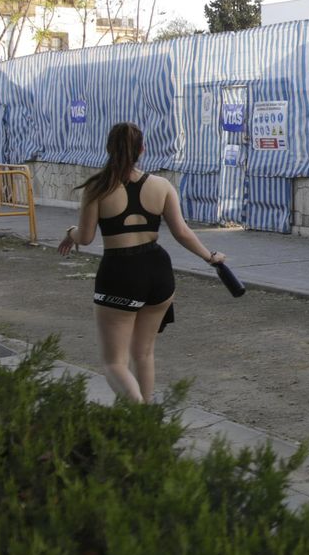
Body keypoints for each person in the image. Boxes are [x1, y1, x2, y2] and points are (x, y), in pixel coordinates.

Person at [57, 122, 226, 403]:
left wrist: (68, 234)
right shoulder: (161, 186)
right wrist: (211, 257)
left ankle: (139, 418)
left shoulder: (97, 188)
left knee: (114, 363)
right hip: (158, 272)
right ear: (142, 149)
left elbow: (85, 237)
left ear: (109, 148)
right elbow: (182, 232)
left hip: (120, 273)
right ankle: (148, 428)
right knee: (144, 353)